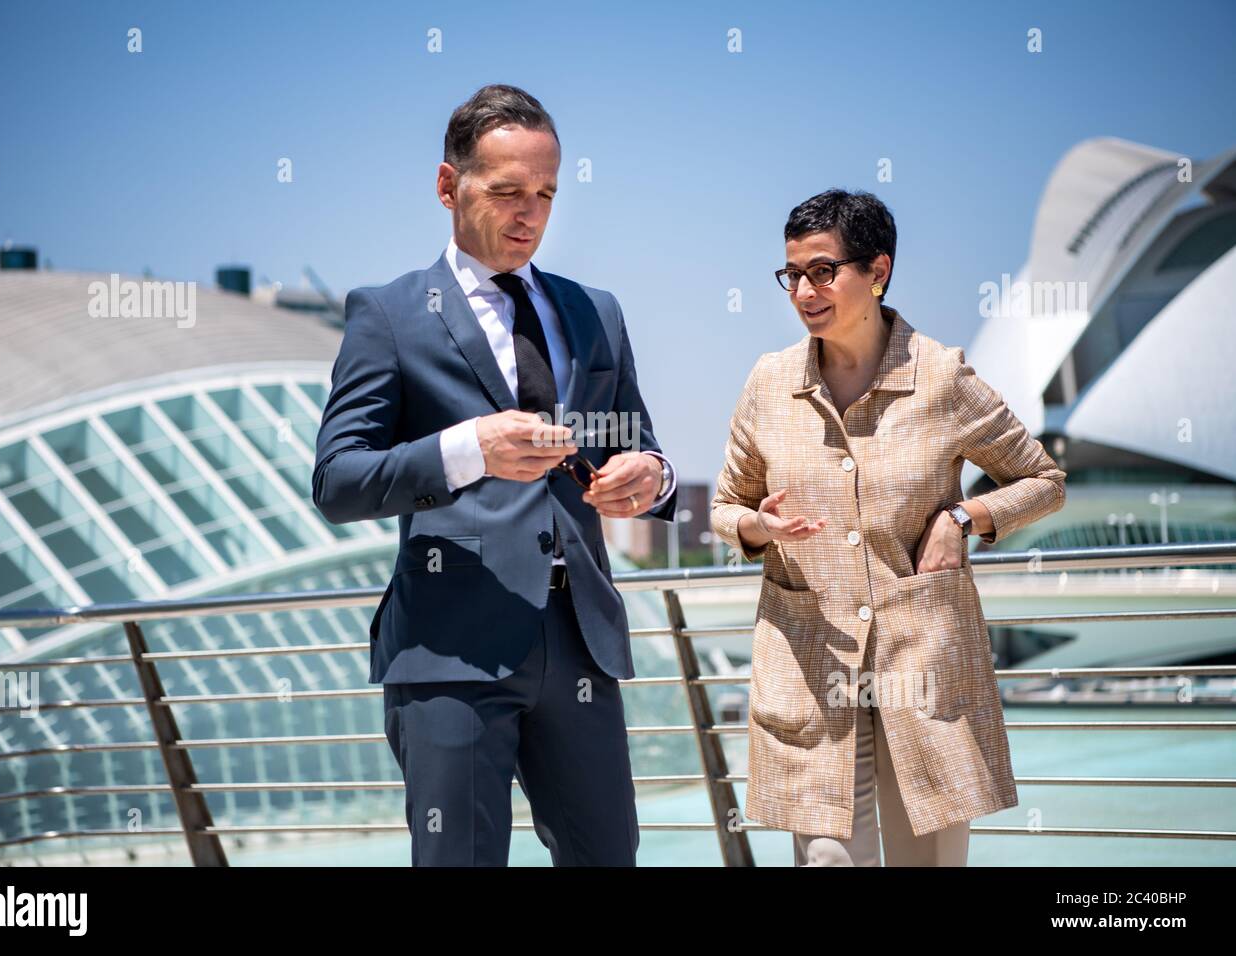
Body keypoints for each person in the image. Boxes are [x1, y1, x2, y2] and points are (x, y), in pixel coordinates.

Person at [312, 84, 677, 866]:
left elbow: (636, 442)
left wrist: (650, 476)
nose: (531, 215)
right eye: (507, 191)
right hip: (451, 647)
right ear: (449, 186)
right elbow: (339, 481)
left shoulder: (596, 312)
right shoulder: (388, 314)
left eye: (546, 193)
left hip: (579, 643)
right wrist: (469, 447)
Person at [710, 188, 1066, 866]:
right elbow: (725, 505)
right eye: (792, 275)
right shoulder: (767, 382)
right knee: (827, 860)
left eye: (822, 271)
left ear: (878, 271)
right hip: (811, 665)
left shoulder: (941, 376)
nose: (804, 291)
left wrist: (967, 516)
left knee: (926, 861)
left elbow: (1043, 480)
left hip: (924, 664)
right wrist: (758, 526)